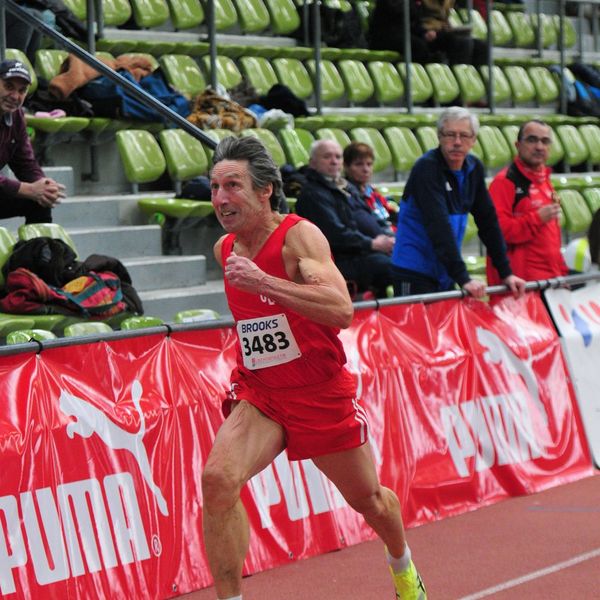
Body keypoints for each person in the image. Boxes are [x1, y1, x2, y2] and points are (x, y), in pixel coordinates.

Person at [202, 136, 427, 600]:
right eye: (215, 187)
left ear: (265, 190)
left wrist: (265, 282)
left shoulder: (299, 237)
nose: (221, 198)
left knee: (371, 502)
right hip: (262, 393)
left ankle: (403, 565)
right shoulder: (225, 248)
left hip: (319, 393)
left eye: (233, 185)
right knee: (218, 480)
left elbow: (341, 309)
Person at [392, 106, 526, 299]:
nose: (457, 142)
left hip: (445, 270)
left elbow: (488, 221)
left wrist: (506, 273)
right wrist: (463, 278)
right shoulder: (426, 168)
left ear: (474, 140)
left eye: (464, 135)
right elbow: (438, 225)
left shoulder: (474, 168)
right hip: (414, 270)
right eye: (450, 135)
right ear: (439, 136)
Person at [296, 139, 394, 299]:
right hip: (338, 260)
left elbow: (369, 216)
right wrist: (372, 244)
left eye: (338, 157)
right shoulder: (313, 194)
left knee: (408, 257)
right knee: (394, 266)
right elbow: (335, 235)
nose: (334, 161)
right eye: (327, 157)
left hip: (362, 251)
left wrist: (387, 239)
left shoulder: (345, 187)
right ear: (312, 163)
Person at [486, 120, 568, 285]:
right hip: (520, 285)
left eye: (545, 141)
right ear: (518, 145)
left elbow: (552, 237)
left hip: (548, 280)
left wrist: (561, 274)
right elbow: (496, 234)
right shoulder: (504, 182)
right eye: (532, 140)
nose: (539, 147)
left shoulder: (544, 180)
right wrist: (536, 218)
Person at [0, 59, 65, 223]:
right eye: (8, 87)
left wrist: (44, 185)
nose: (15, 96)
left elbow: (25, 162)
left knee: (39, 201)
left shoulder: (16, 116)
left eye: (22, 90)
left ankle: (42, 241)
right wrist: (28, 189)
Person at [411, 0, 489, 66]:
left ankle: (477, 77)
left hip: (442, 30)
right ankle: (458, 73)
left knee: (481, 46)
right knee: (463, 42)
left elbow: (444, 17)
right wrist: (424, 32)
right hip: (425, 32)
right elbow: (413, 19)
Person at [343, 141, 398, 235]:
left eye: (369, 164)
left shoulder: (373, 193)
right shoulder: (346, 195)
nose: (366, 169)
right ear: (346, 167)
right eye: (359, 164)